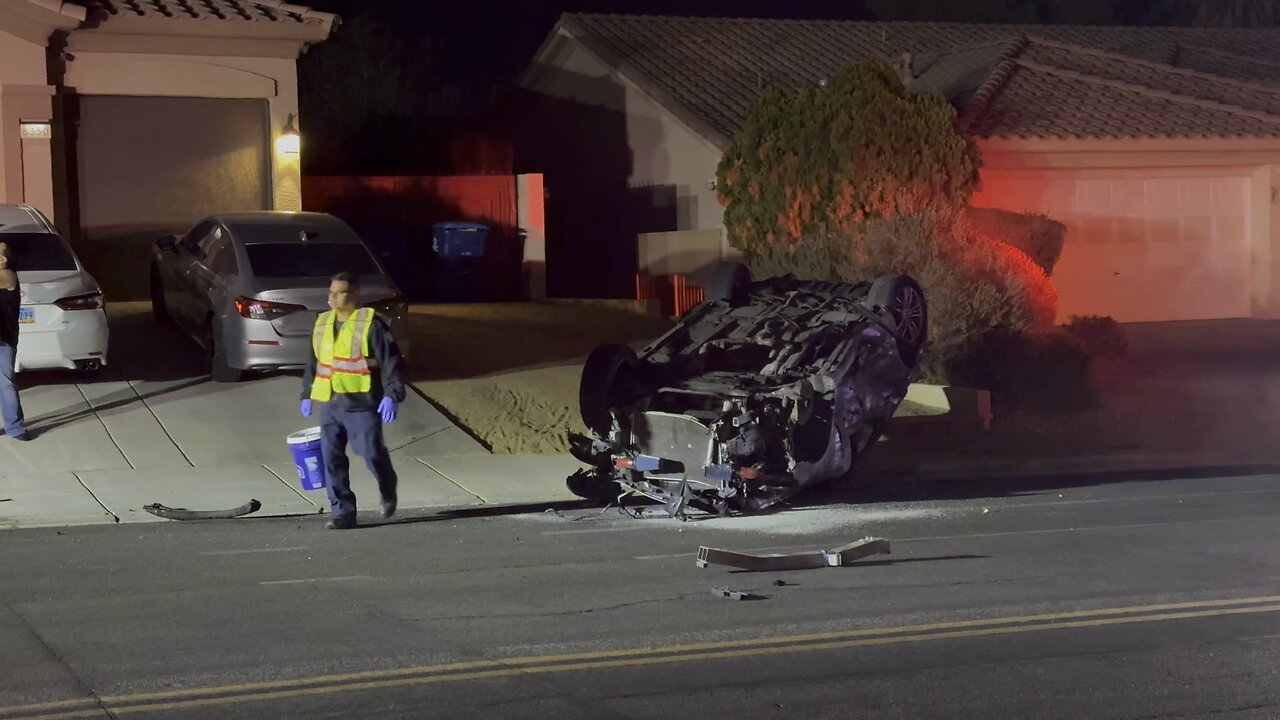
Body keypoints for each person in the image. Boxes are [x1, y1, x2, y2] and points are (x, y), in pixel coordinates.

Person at [300, 271, 405, 529]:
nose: (334, 297)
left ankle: (387, 484)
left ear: (354, 294)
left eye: (341, 292)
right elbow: (313, 363)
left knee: (370, 453)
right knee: (331, 459)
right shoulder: (322, 323)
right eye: (331, 292)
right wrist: (306, 393)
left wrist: (393, 395)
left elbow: (390, 360)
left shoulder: (371, 324)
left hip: (362, 403)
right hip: (330, 403)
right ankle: (342, 513)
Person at [0, 242, 29, 442]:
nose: (2, 258)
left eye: (3, 254)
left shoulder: (9, 276)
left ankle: (15, 428)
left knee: (6, 384)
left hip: (4, 340)